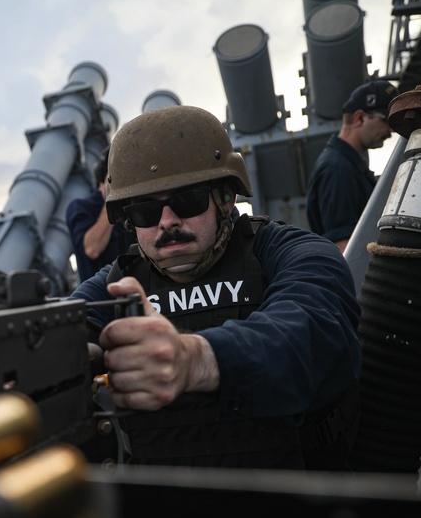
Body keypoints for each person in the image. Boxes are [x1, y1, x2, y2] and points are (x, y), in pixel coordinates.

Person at [71, 105, 361, 470]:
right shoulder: (115, 286)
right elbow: (63, 330)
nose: (167, 222)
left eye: (188, 201)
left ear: (226, 198)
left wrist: (195, 360)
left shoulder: (292, 253)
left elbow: (314, 329)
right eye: (146, 211)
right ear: (129, 222)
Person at [306, 80, 397, 253]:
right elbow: (343, 248)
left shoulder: (348, 166)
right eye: (385, 120)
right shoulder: (338, 169)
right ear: (359, 118)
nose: (390, 130)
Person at [67, 146, 138, 283]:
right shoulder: (81, 207)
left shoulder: (129, 207)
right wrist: (111, 197)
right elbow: (92, 250)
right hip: (101, 296)